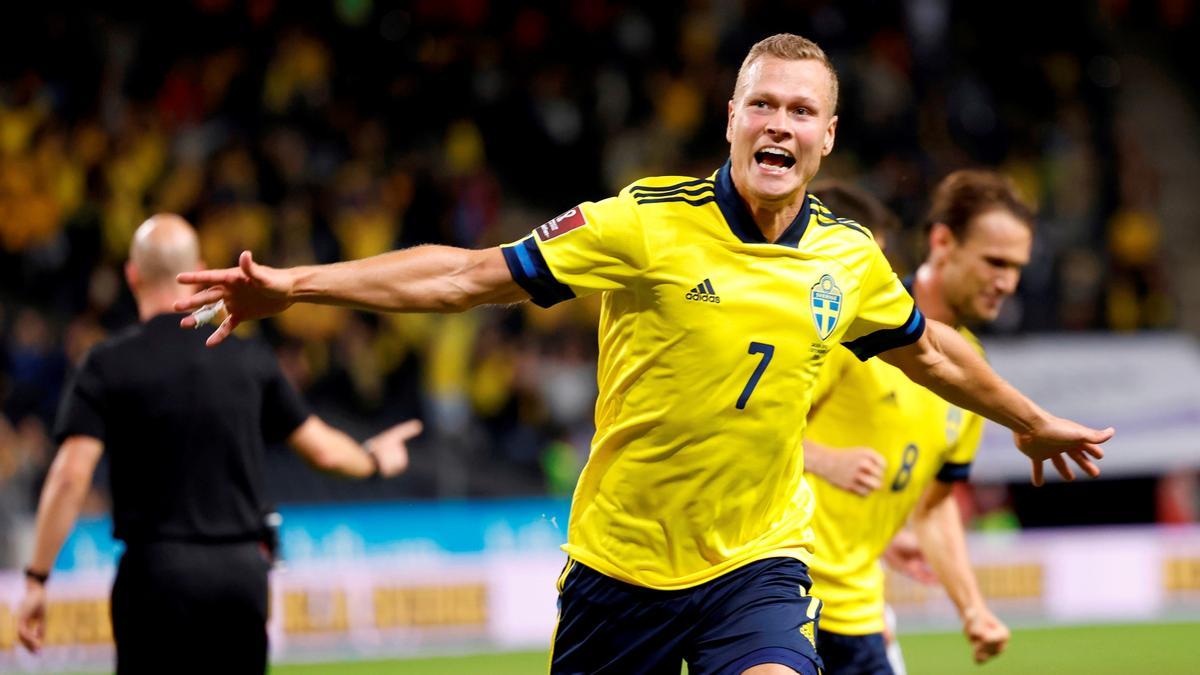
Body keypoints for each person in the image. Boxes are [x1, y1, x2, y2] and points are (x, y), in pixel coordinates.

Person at [174, 34, 1111, 675]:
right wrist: (295, 285)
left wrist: (1027, 421)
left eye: (800, 111)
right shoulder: (642, 223)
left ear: (828, 136)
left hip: (758, 559)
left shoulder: (848, 259)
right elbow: (464, 275)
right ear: (731, 118)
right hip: (621, 563)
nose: (778, 124)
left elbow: (931, 354)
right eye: (762, 105)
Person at [15, 214, 422, 674]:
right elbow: (324, 451)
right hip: (240, 575)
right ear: (200, 269)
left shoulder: (107, 364)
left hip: (155, 575)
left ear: (132, 274)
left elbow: (71, 475)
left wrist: (36, 579)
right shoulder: (249, 358)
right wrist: (374, 459)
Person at [804, 172, 1033, 674]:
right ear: (942, 241)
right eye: (995, 261)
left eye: (1016, 267)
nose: (1007, 282)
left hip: (861, 608)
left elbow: (934, 505)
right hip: (786, 595)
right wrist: (824, 459)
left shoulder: (972, 371)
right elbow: (754, 427)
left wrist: (971, 607)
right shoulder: (852, 325)